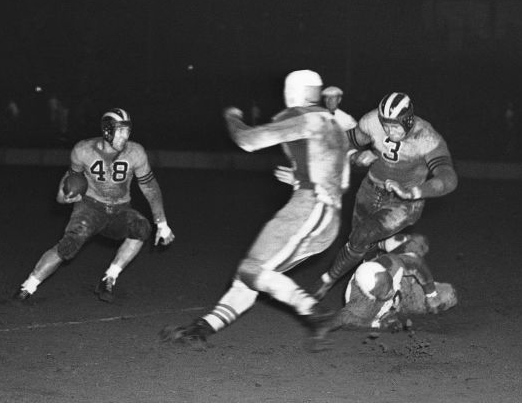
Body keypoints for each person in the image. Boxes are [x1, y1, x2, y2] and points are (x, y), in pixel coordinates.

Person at [161, 71, 356, 349]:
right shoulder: (333, 124)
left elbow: (247, 140)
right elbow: (342, 177)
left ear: (293, 92)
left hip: (310, 207)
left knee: (253, 269)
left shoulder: (299, 115)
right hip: (326, 214)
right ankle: (201, 330)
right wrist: (303, 176)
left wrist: (231, 116)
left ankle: (314, 312)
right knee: (250, 275)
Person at [13, 108, 175, 303]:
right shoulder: (83, 150)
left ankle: (109, 278)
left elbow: (149, 186)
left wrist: (162, 223)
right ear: (107, 130)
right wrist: (64, 197)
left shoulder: (135, 152)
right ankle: (27, 287)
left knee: (141, 228)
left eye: (127, 130)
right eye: (120, 130)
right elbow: (68, 182)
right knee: (68, 246)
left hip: (120, 209)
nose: (126, 135)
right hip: (90, 207)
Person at [311, 92, 458, 300]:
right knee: (359, 244)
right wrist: (354, 157)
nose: (389, 130)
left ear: (408, 121)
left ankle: (326, 281)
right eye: (385, 125)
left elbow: (448, 178)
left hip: (405, 202)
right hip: (370, 189)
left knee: (362, 236)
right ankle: (389, 273)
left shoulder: (426, 136)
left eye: (395, 125)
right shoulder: (372, 121)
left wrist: (414, 192)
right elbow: (346, 141)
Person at [330, 232, 457, 332]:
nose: (390, 292)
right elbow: (343, 319)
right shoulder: (360, 306)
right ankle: (380, 248)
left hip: (400, 281)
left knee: (419, 241)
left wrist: (431, 295)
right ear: (369, 294)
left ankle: (381, 245)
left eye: (388, 286)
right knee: (449, 295)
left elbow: (416, 262)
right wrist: (377, 324)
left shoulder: (390, 264)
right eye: (384, 292)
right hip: (402, 300)